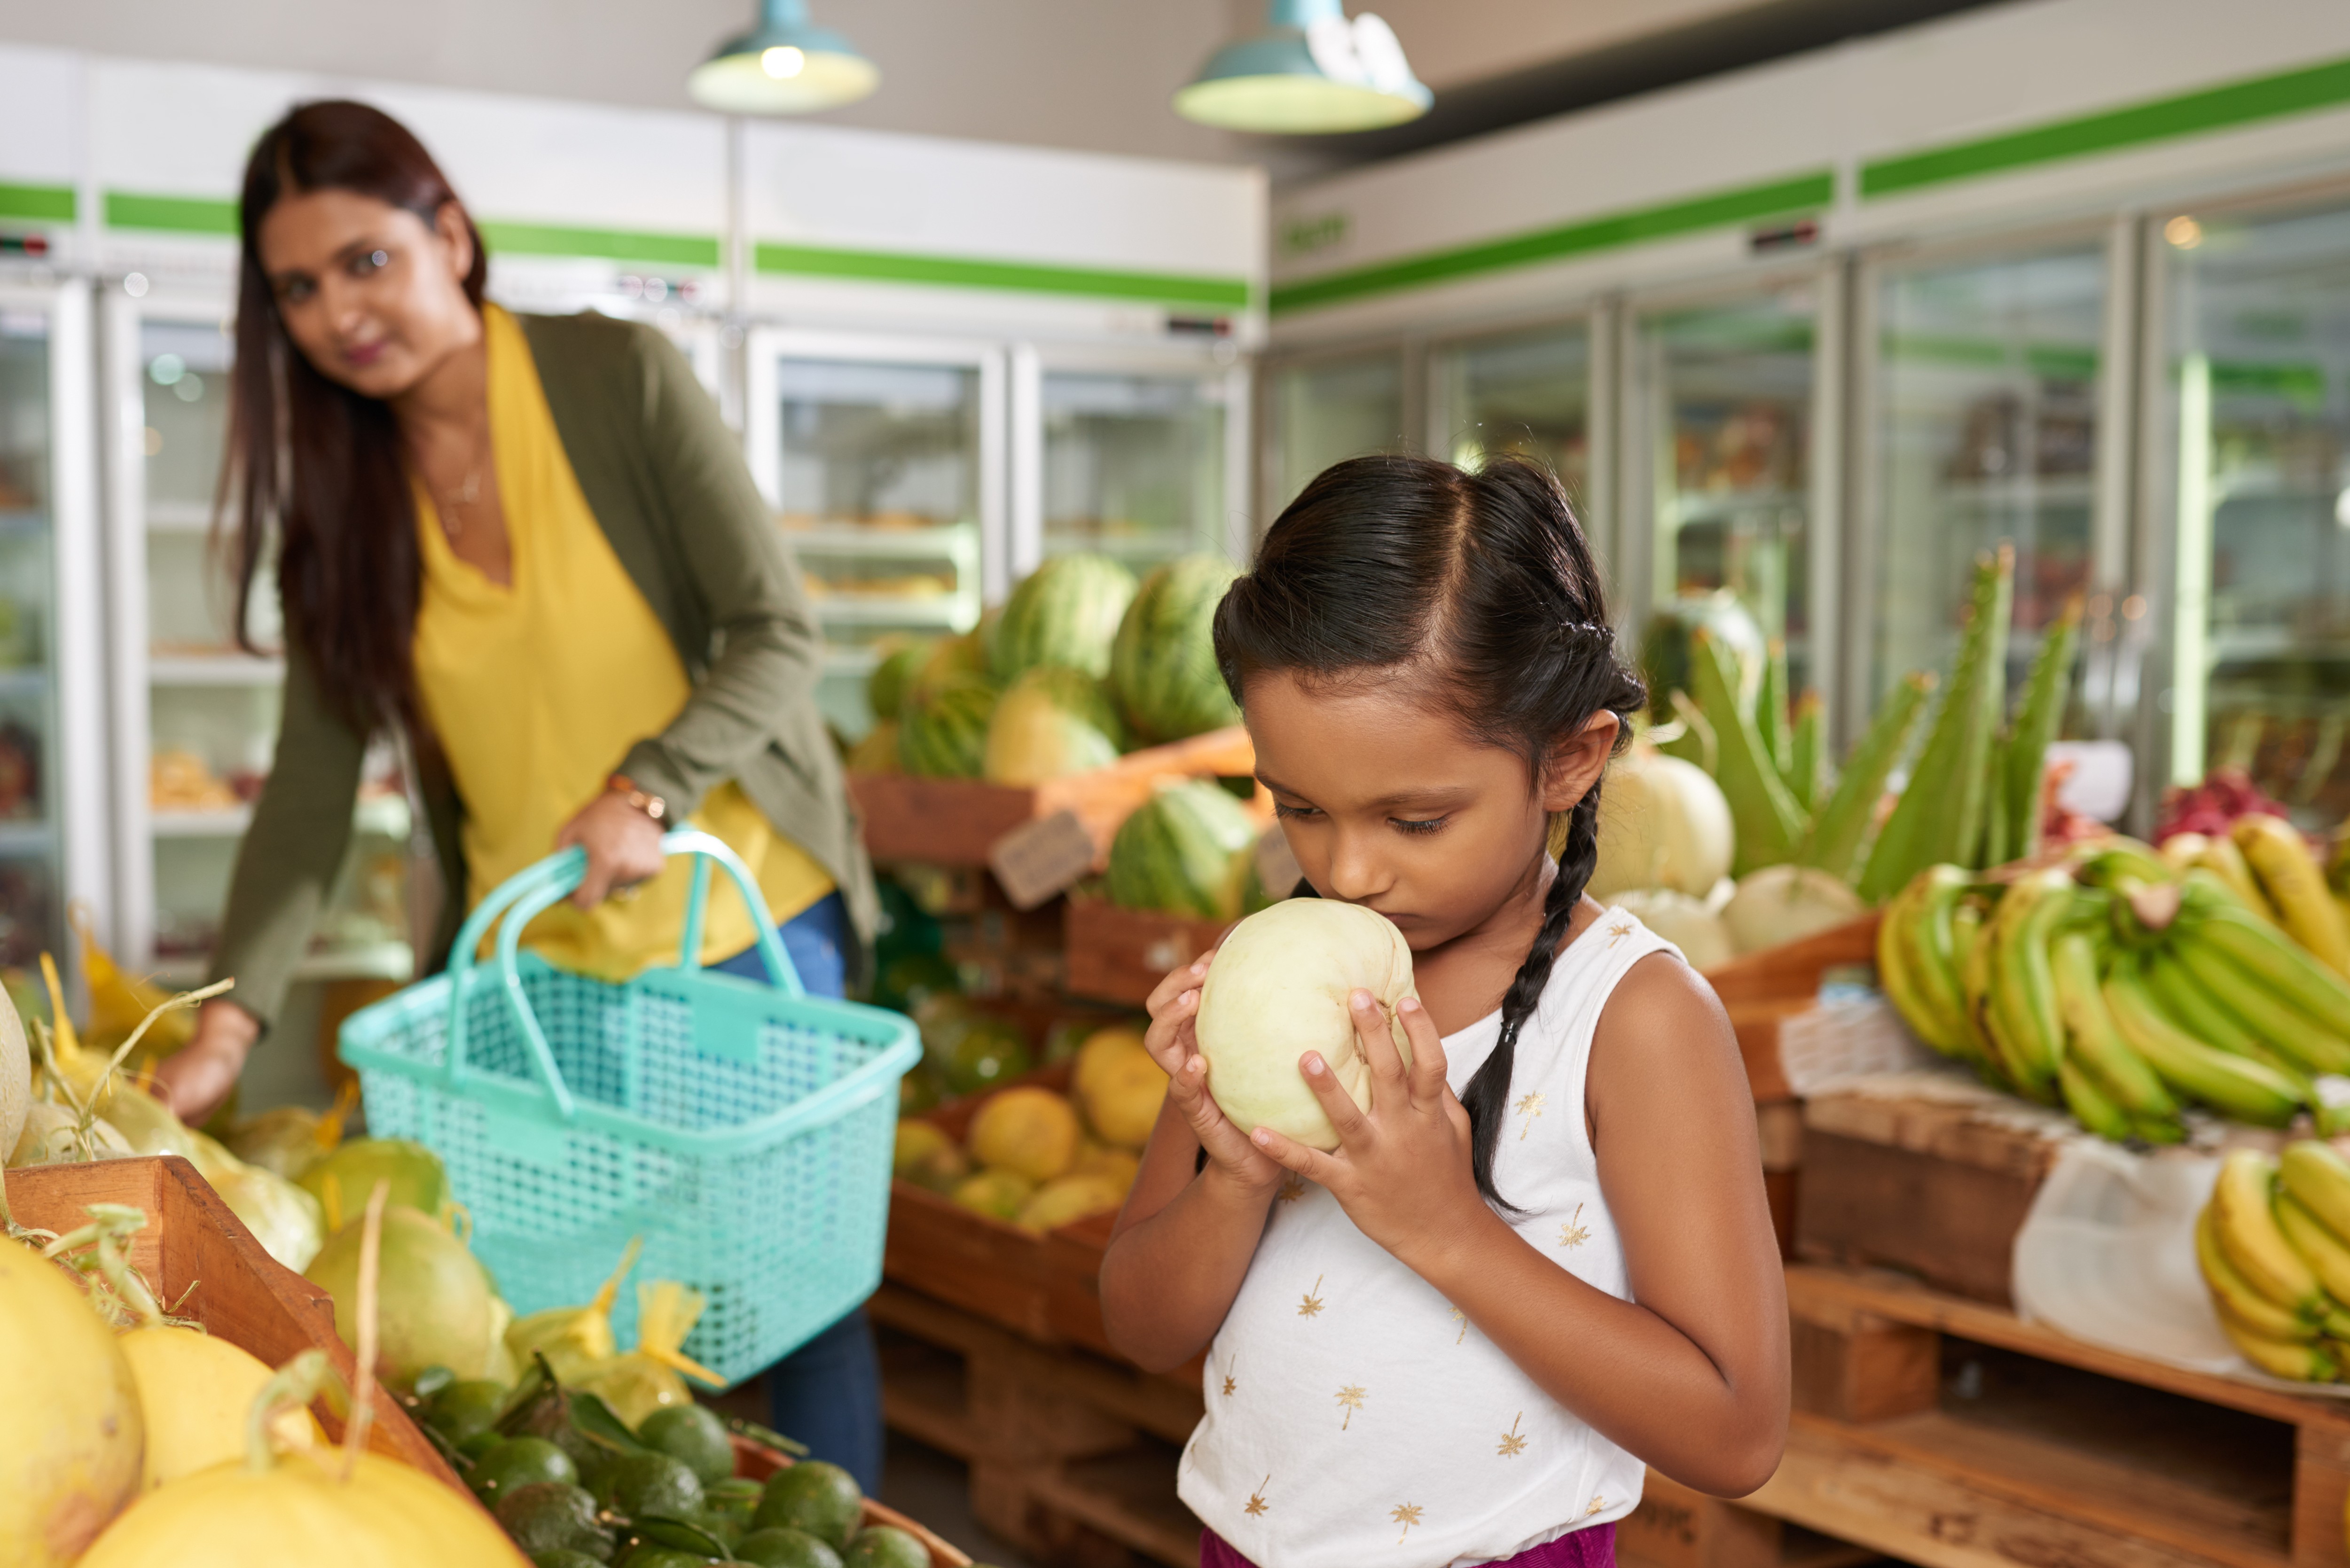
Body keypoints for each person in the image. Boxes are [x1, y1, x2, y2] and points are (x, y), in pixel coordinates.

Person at [148, 99, 885, 1493]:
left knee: (786, 1291)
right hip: (534, 974)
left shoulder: (619, 381)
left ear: (451, 235)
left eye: (367, 260)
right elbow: (310, 787)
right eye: (297, 290)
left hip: (741, 924)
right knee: (585, 1317)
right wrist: (227, 1021)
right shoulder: (340, 512)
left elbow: (778, 630)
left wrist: (649, 789)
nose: (337, 313)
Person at [1097, 454, 1789, 1568]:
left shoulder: (1632, 1019)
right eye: (1302, 808)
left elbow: (1737, 1428)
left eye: (1414, 820)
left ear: (1569, 758)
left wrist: (1443, 1227)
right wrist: (1233, 1178)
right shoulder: (1263, 971)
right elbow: (1139, 1326)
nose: (1351, 869)